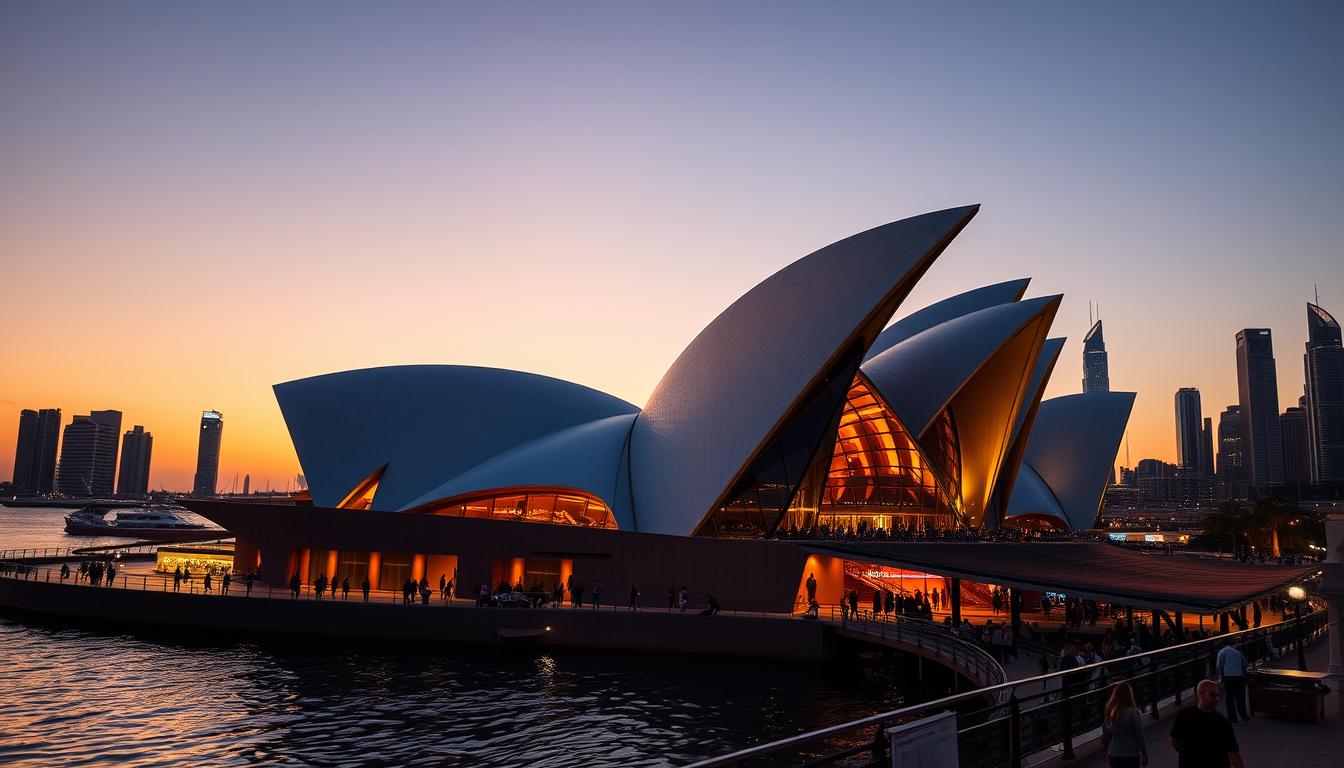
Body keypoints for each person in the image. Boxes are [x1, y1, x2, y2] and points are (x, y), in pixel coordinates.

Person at [1170, 680, 1243, 768]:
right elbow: (1233, 753)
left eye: (1218, 696)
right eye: (1212, 695)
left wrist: (1185, 754)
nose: (1216, 699)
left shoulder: (1223, 722)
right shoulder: (1222, 722)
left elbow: (1174, 740)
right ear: (1200, 694)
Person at [1101, 681, 1148, 768]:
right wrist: (1144, 752)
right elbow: (1139, 734)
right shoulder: (1133, 712)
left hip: (1114, 752)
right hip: (1131, 752)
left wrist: (1105, 751)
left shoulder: (1110, 711)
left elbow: (1105, 735)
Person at [1215, 641, 1250, 723]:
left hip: (1228, 677)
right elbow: (1245, 664)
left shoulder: (1222, 652)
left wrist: (1220, 678)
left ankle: (1232, 718)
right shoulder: (1238, 652)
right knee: (1240, 696)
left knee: (1230, 698)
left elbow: (1219, 666)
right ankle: (1243, 715)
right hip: (1239, 676)